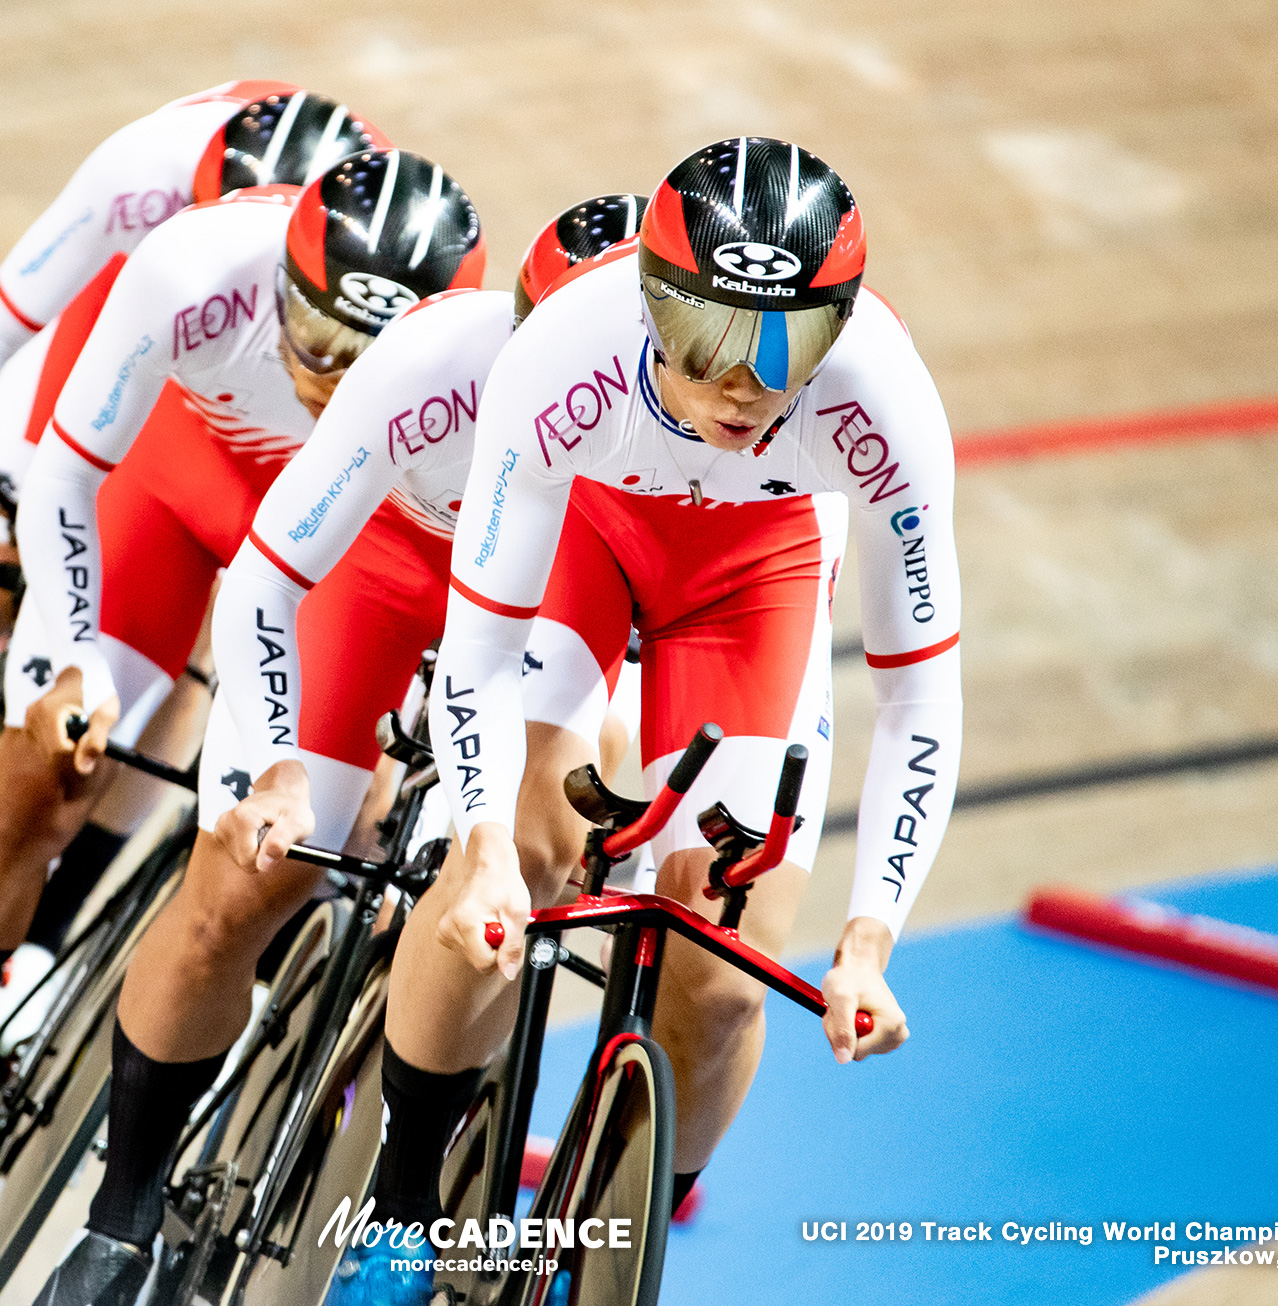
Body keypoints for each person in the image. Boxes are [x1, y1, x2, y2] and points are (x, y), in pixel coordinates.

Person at [0, 150, 475, 1252]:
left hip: (342, 536)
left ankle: (174, 1009)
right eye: (308, 340)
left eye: (360, 363)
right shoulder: (196, 268)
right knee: (47, 765)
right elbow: (66, 477)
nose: (323, 375)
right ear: (283, 286)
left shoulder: (463, 380)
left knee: (319, 833)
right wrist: (64, 660)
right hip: (187, 475)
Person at [351, 138, 965, 1304]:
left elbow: (920, 691)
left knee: (729, 983)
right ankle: (398, 1201)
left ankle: (614, 1225)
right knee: (522, 855)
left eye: (789, 343)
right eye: (706, 341)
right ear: (647, 301)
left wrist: (871, 938)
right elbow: (477, 651)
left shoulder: (884, 399)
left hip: (757, 572)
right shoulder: (562, 357)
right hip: (594, 534)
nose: (743, 383)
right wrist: (480, 850)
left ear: (838, 329)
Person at [23, 192, 640, 1306]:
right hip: (378, 568)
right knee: (241, 880)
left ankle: (402, 1203)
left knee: (524, 875)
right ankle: (120, 1216)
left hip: (548, 621)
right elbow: (265, 576)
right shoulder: (426, 363)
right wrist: (275, 761)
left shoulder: (720, 443)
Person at [0, 82, 377, 1010]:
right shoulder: (146, 176)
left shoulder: (364, 243)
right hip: (106, 356)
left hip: (251, 412)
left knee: (201, 652)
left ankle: (48, 927)